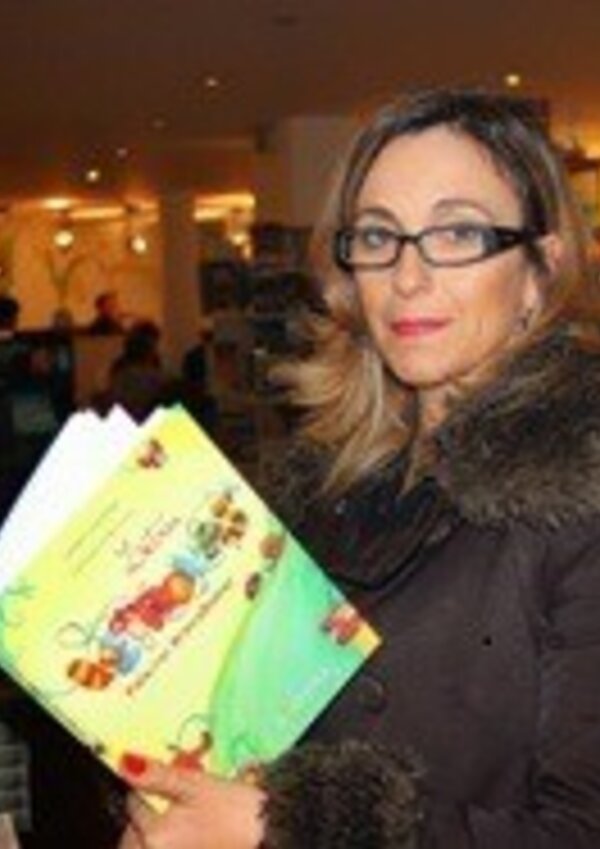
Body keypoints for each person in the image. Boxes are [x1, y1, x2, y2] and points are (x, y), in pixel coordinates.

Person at [116, 88, 600, 848]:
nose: (407, 276)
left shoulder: (578, 495)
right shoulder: (318, 488)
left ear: (542, 267)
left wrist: (279, 828)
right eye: (378, 236)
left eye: (458, 232)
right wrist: (178, 802)